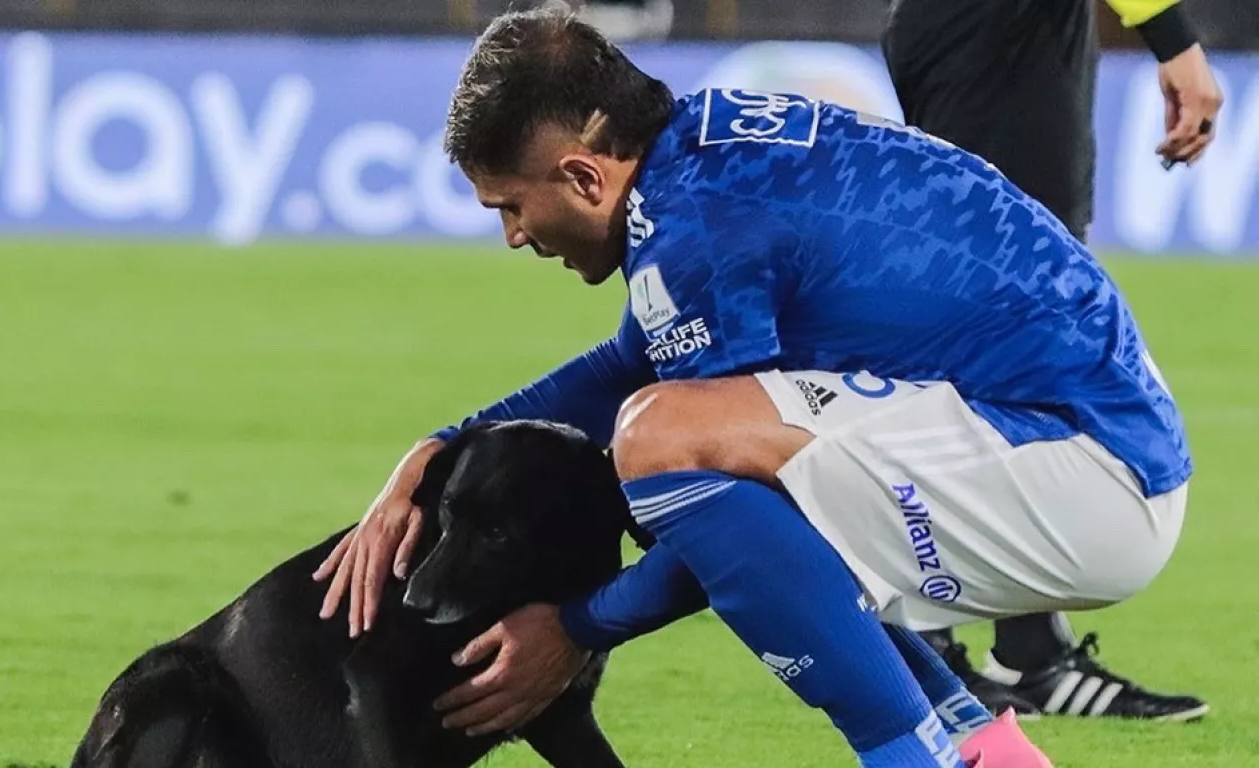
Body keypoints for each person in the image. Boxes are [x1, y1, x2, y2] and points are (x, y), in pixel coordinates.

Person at [314, 9, 1194, 766]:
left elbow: (705, 491)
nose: (512, 235)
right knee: (694, 437)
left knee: (663, 439)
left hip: (1085, 474)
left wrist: (578, 627)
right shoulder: (700, 156)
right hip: (1075, 442)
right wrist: (438, 451)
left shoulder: (697, 221)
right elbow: (630, 360)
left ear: (583, 175)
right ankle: (972, 743)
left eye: (510, 205)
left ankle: (914, 752)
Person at [881, 0, 1221, 719]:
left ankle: (1026, 649)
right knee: (986, 335)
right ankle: (928, 648)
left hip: (997, 37)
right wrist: (1174, 40)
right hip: (992, 38)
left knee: (1011, 349)